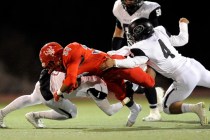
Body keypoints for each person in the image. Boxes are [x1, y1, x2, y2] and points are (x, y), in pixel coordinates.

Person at [101, 17, 209, 125]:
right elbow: (182, 40)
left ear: (139, 32)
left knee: (167, 107)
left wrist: (115, 62)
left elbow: (136, 61)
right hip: (194, 65)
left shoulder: (140, 46)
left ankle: (195, 108)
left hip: (184, 77)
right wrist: (183, 25)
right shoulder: (159, 30)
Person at [39, 41, 155, 127]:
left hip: (114, 65)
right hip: (106, 75)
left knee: (149, 83)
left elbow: (70, 80)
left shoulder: (71, 50)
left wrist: (58, 93)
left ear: (55, 56)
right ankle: (135, 109)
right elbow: (73, 81)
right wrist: (71, 87)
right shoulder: (64, 66)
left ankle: (150, 61)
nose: (50, 68)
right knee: (122, 96)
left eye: (50, 64)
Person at [0, 69, 129, 128]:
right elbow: (110, 111)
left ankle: (2, 113)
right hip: (52, 92)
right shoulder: (98, 88)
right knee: (72, 112)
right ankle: (35, 116)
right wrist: (126, 100)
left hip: (47, 80)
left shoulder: (90, 65)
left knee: (32, 98)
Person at [111, 0, 164, 122]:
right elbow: (119, 31)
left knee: (147, 80)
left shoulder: (150, 8)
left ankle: (154, 112)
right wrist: (115, 52)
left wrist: (155, 55)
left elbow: (158, 35)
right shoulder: (118, 6)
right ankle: (156, 93)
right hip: (133, 51)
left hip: (151, 50)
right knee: (131, 85)